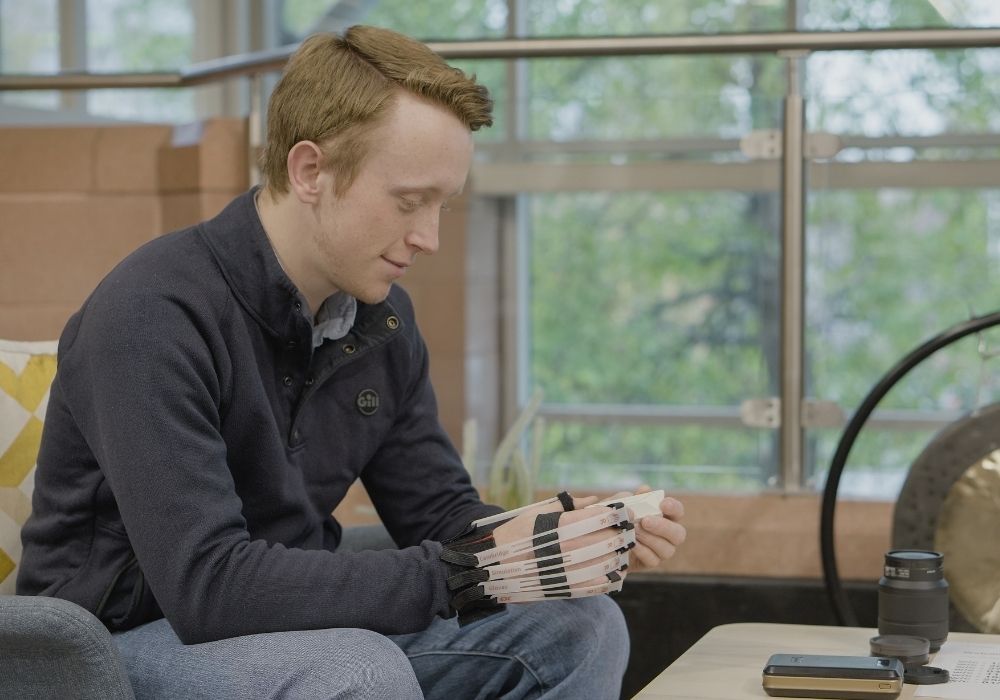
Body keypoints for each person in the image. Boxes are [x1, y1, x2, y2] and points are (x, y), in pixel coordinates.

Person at [17, 25, 687, 700]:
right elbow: (207, 587)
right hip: (117, 643)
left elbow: (437, 512)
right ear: (311, 171)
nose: (427, 238)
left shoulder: (378, 321)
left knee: (578, 627)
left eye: (442, 206)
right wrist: (469, 571)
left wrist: (558, 535)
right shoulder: (152, 313)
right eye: (407, 202)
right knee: (357, 674)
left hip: (287, 626)